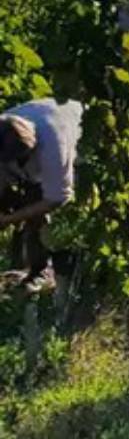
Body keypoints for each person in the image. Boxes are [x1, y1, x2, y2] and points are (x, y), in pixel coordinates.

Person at [0, 97, 85, 295]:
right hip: (26, 150)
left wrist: (11, 218)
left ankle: (41, 271)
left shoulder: (54, 146)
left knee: (35, 207)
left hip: (74, 135)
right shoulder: (3, 127)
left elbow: (57, 198)